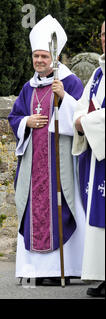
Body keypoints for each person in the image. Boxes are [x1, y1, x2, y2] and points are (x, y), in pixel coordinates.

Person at [8, 15, 85, 286]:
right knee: (34, 208)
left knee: (61, 207)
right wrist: (26, 122)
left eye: (43, 56)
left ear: (54, 57)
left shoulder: (71, 82)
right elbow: (14, 117)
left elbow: (83, 115)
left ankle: (63, 268)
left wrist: (63, 97)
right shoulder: (28, 86)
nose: (39, 61)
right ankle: (35, 269)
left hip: (61, 161)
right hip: (33, 164)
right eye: (35, 56)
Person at [72, 21, 105, 297]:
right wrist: (80, 121)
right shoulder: (97, 73)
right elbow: (82, 105)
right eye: (104, 34)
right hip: (97, 154)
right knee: (98, 216)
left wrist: (87, 121)